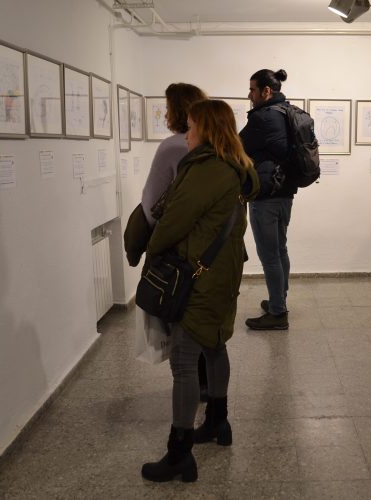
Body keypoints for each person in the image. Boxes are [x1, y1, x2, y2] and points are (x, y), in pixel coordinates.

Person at [140, 100, 259, 483]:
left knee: (184, 361)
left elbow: (173, 221)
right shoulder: (239, 165)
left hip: (198, 275)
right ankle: (218, 423)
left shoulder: (206, 169)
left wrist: (152, 251)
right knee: (214, 346)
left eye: (190, 127)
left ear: (205, 130)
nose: (186, 134)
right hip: (224, 272)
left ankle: (179, 454)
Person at [126, 83, 211, 400]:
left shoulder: (174, 146)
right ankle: (208, 386)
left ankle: (190, 389)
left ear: (177, 109)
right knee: (204, 317)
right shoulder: (215, 144)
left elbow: (150, 202)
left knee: (180, 317)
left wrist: (155, 239)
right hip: (208, 248)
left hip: (177, 247)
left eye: (166, 106)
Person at [240, 68, 298, 330]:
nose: (250, 95)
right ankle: (279, 300)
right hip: (285, 193)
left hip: (266, 195)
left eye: (253, 89)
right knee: (281, 249)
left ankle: (277, 313)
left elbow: (237, 146)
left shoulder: (263, 118)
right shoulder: (287, 112)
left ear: (266, 91)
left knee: (269, 255)